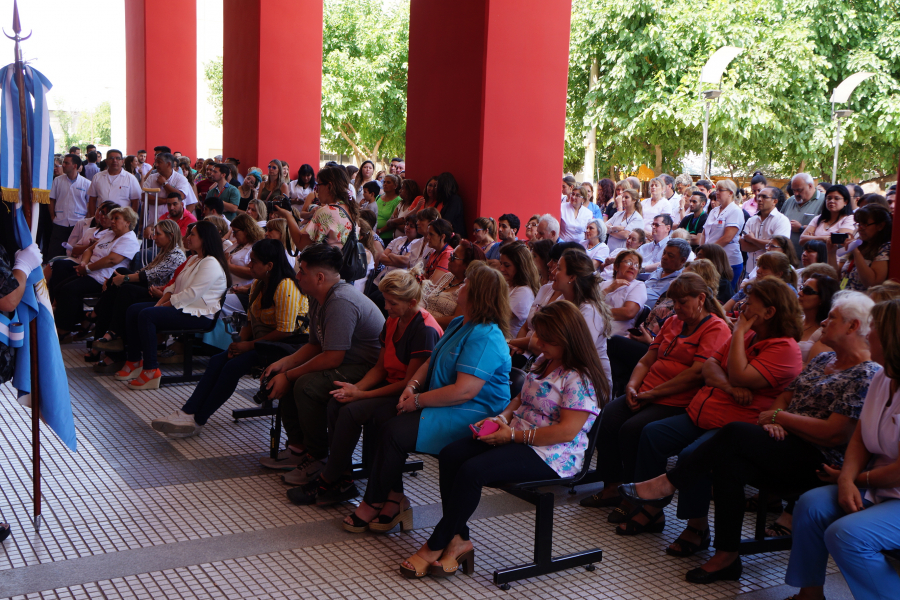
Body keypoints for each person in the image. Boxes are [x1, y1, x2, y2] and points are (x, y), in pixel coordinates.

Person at [621, 292, 879, 584]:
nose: (823, 321)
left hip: (821, 463)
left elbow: (834, 433)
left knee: (734, 432)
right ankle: (726, 555)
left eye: (831, 317)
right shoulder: (824, 360)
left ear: (853, 326)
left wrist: (778, 418)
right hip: (785, 443)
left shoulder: (866, 373)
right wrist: (774, 417)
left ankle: (669, 483)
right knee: (728, 463)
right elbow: (785, 396)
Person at [399, 300, 609, 578]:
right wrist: (502, 419)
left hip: (553, 453)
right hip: (519, 435)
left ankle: (437, 542)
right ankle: (459, 538)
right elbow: (522, 397)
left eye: (547, 339)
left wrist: (513, 435)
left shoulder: (579, 378)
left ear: (568, 339)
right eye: (540, 336)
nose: (539, 343)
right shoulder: (546, 361)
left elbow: (566, 432)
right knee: (451, 454)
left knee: (473, 471)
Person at [615, 278, 803, 543]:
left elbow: (739, 374)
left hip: (734, 424)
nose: (743, 306)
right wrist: (728, 384)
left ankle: (697, 525)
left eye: (750, 304)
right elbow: (710, 367)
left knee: (692, 455)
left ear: (770, 312)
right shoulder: (749, 335)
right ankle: (653, 508)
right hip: (701, 412)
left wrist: (737, 334)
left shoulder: (784, 348)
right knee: (652, 434)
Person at [341, 264, 512, 533]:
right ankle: (394, 498)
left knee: (394, 431)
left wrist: (418, 401)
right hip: (449, 403)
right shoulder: (460, 322)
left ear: (477, 294)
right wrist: (412, 386)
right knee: (380, 416)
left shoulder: (486, 335)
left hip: (473, 412)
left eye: (466, 284)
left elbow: (464, 391)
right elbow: (432, 360)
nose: (461, 286)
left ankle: (374, 500)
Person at [284, 270, 443, 506]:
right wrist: (354, 388)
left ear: (411, 302)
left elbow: (409, 385)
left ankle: (328, 478)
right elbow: (380, 368)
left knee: (351, 410)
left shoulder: (424, 329)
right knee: (337, 400)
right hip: (391, 384)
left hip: (410, 396)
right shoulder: (393, 320)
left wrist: (362, 394)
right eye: (385, 301)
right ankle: (344, 478)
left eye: (392, 303)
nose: (386, 308)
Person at [582, 273, 731, 513]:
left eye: (683, 302)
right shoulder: (673, 322)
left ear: (701, 298)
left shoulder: (715, 328)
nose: (678, 308)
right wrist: (632, 386)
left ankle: (637, 496)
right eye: (675, 302)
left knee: (633, 429)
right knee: (607, 417)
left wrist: (652, 394)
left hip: (678, 399)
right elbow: (646, 359)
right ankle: (612, 484)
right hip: (646, 391)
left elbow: (695, 374)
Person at [782, 299, 900, 600]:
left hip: (893, 490)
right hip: (876, 484)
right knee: (810, 505)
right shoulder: (882, 377)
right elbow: (860, 438)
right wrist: (847, 478)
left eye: (875, 329)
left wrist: (853, 481)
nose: (869, 334)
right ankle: (809, 594)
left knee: (846, 535)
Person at [151, 239, 307, 437]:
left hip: (286, 347)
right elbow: (251, 320)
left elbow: (286, 331)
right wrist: (239, 343)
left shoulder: (285, 286)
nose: (249, 264)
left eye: (254, 261)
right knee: (219, 360)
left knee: (232, 367)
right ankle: (187, 413)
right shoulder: (259, 284)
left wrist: (248, 346)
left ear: (270, 266)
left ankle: (197, 420)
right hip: (265, 343)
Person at [258, 244, 385, 483]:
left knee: (305, 385)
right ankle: (298, 449)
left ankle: (318, 458)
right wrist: (285, 365)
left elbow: (332, 357)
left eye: (302, 271)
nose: (297, 276)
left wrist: (290, 375)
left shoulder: (341, 300)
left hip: (370, 369)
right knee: (286, 373)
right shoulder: (319, 295)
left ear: (319, 277)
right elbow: (315, 345)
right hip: (346, 360)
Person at [113, 221, 230, 390]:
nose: (187, 238)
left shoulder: (210, 263)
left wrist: (163, 307)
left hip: (199, 315)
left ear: (204, 239)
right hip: (184, 307)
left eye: (192, 235)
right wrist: (160, 302)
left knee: (147, 315)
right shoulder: (194, 258)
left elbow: (191, 294)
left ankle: (151, 369)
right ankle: (134, 361)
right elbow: (174, 285)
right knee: (133, 310)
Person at [87, 219, 187, 365]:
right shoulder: (165, 251)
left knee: (125, 289)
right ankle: (108, 334)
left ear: (170, 236)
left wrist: (124, 279)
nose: (153, 237)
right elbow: (145, 270)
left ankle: (110, 333)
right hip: (152, 288)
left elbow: (151, 274)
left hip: (159, 295)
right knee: (119, 275)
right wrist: (116, 278)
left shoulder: (176, 255)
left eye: (157, 234)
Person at [54, 207, 141, 339]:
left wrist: (88, 269)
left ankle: (64, 329)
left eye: (116, 218)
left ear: (128, 222)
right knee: (59, 287)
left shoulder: (129, 239)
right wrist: (83, 264)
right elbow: (89, 250)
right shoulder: (109, 234)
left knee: (68, 290)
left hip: (104, 277)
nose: (112, 221)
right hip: (90, 270)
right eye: (112, 218)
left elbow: (112, 260)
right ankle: (83, 322)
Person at [828, 203, 891, 292]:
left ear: (880, 226)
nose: (859, 228)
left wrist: (856, 253)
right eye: (858, 224)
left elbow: (872, 284)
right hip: (843, 298)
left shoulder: (884, 247)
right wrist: (831, 252)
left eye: (864, 224)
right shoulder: (858, 242)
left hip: (863, 302)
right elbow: (835, 278)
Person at [423, 242, 485, 328]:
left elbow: (458, 319)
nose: (449, 259)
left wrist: (426, 319)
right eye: (451, 254)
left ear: (467, 265)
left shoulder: (468, 288)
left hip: (442, 332)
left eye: (453, 257)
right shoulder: (447, 276)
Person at [702, 179, 745, 289]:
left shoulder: (735, 211)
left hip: (728, 261)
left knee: (723, 295)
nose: (717, 192)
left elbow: (727, 237)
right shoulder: (714, 211)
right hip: (709, 259)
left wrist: (708, 252)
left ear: (730, 193)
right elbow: (704, 233)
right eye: (716, 190)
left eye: (720, 190)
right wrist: (701, 250)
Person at [723, 251, 798, 316]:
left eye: (764, 268)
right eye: (759, 266)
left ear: (779, 274)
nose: (758, 271)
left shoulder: (788, 292)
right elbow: (725, 308)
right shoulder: (752, 286)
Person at [47, 153, 91, 259]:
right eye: (63, 163)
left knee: (74, 253)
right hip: (60, 222)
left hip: (78, 222)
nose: (63, 165)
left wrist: (87, 219)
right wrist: (53, 217)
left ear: (75, 166)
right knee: (55, 252)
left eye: (66, 163)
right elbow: (51, 200)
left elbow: (90, 203)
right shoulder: (57, 180)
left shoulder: (86, 183)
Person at [741, 185, 792, 276]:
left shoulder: (782, 220)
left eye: (764, 197)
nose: (759, 199)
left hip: (770, 271)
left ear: (774, 201)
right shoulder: (751, 220)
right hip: (750, 270)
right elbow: (744, 246)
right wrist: (769, 244)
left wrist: (752, 240)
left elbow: (779, 248)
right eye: (758, 196)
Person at [222, 214, 266, 315]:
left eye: (235, 231)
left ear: (246, 231)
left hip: (242, 291)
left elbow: (253, 272)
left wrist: (229, 266)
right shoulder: (236, 244)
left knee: (217, 303)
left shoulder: (257, 247)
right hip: (227, 288)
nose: (233, 235)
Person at [497, 241, 541, 339]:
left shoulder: (524, 292)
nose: (501, 269)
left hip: (509, 342)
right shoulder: (509, 284)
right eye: (501, 264)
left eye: (507, 265)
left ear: (520, 266)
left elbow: (498, 317)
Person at [600, 250, 647, 337]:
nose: (633, 267)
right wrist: (608, 290)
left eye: (636, 265)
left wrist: (596, 311)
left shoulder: (639, 286)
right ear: (616, 266)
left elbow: (628, 313)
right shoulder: (603, 284)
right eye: (629, 262)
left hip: (613, 336)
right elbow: (587, 303)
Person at [86, 149, 142, 215]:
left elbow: (135, 201)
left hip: (122, 218)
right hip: (102, 217)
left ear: (122, 161)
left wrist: (130, 221)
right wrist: (93, 217)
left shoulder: (131, 178)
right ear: (106, 161)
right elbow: (92, 199)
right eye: (111, 158)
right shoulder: (97, 177)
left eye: (118, 158)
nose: (114, 160)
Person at [782, 173, 826, 255]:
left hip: (810, 259)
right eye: (794, 190)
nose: (796, 194)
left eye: (799, 190)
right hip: (787, 256)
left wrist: (801, 228)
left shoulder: (824, 201)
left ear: (810, 186)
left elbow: (827, 231)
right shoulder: (790, 201)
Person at [643, 238, 689, 308]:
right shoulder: (657, 271)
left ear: (682, 260)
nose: (664, 257)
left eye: (670, 256)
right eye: (664, 253)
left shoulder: (681, 281)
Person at [422, 218, 459, 284]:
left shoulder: (448, 254)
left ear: (442, 237)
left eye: (431, 234)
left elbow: (433, 283)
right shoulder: (434, 253)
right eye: (428, 234)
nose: (428, 237)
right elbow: (424, 277)